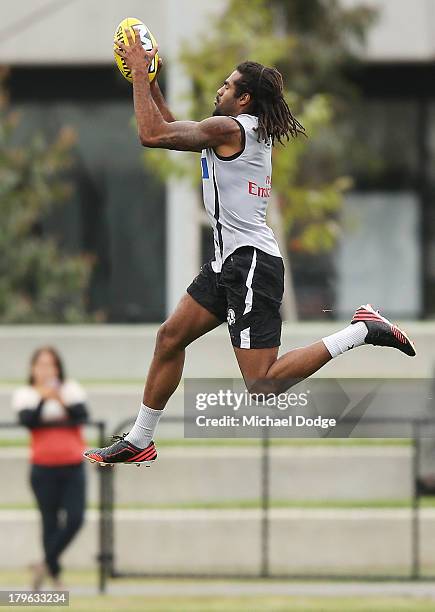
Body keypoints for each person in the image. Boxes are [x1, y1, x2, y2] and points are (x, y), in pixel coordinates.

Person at [84, 29, 415, 466]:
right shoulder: (232, 128)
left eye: (227, 84)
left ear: (243, 100)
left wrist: (141, 77)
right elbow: (166, 127)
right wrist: (150, 79)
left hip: (251, 264)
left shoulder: (228, 129)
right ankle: (140, 438)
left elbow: (150, 134)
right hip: (229, 263)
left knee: (261, 385)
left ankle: (362, 330)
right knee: (169, 338)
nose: (220, 88)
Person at [12, 347, 89, 590]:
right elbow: (28, 422)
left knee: (76, 518)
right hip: (43, 467)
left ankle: (44, 563)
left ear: (58, 368)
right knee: (49, 522)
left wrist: (60, 399)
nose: (46, 369)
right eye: (41, 364)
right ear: (33, 368)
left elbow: (82, 416)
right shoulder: (25, 394)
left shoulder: (71, 389)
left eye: (51, 364)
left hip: (72, 463)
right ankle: (54, 575)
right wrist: (44, 397)